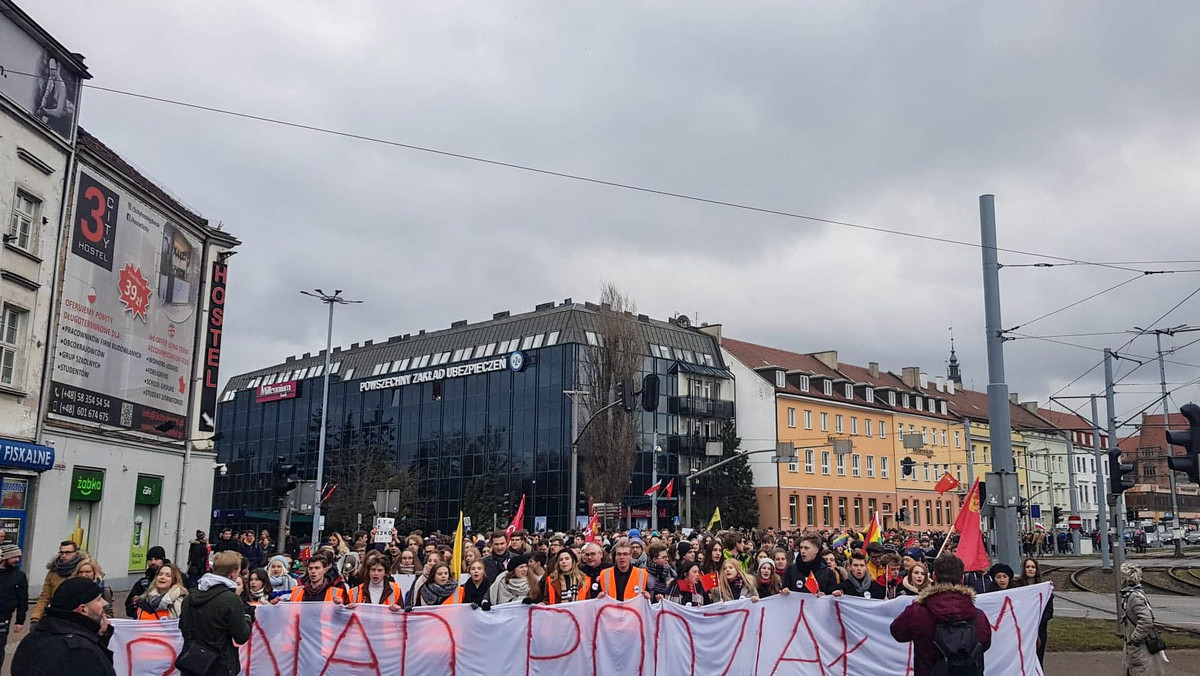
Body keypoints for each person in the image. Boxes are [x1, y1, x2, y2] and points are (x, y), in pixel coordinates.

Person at [889, 555, 991, 676]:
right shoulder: (978, 615)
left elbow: (898, 632)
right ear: (962, 578)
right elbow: (985, 643)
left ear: (934, 576)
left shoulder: (918, 611)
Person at [11, 577, 114, 676]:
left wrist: (99, 638)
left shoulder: (32, 638)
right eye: (99, 599)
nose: (104, 603)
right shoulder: (81, 652)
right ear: (82, 609)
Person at [177, 550, 252, 676]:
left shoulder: (191, 596)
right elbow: (241, 636)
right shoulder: (230, 599)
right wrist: (247, 617)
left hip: (191, 663)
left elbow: (183, 627)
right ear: (234, 573)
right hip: (219, 665)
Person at [1119, 563, 1163, 676]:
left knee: (1140, 670)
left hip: (1139, 648)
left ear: (1125, 578)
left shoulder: (1134, 597)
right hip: (1136, 648)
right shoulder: (1132, 593)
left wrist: (1135, 638)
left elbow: (1146, 621)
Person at [31, 540, 84, 623]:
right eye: (61, 552)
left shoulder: (83, 570)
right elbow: (45, 597)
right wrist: (36, 617)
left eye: (67, 552)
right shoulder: (53, 572)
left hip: (77, 616)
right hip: (57, 615)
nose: (64, 556)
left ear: (76, 553)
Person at [1017, 557, 1053, 666]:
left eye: (1033, 567)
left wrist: (1037, 621)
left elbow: (1049, 611)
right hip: (1023, 628)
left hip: (1040, 629)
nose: (1030, 569)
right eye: (1027, 567)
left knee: (1038, 656)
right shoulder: (1017, 587)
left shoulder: (1044, 588)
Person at [0, 544, 27, 670]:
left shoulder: (19, 576)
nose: (17, 560)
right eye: (14, 557)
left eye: (18, 557)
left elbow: (23, 600)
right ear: (4, 558)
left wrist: (20, 620)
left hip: (4, 617)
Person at [125, 546, 168, 618]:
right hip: (146, 623)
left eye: (156, 559)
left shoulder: (177, 578)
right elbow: (129, 608)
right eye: (150, 559)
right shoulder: (143, 583)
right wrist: (137, 603)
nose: (153, 562)